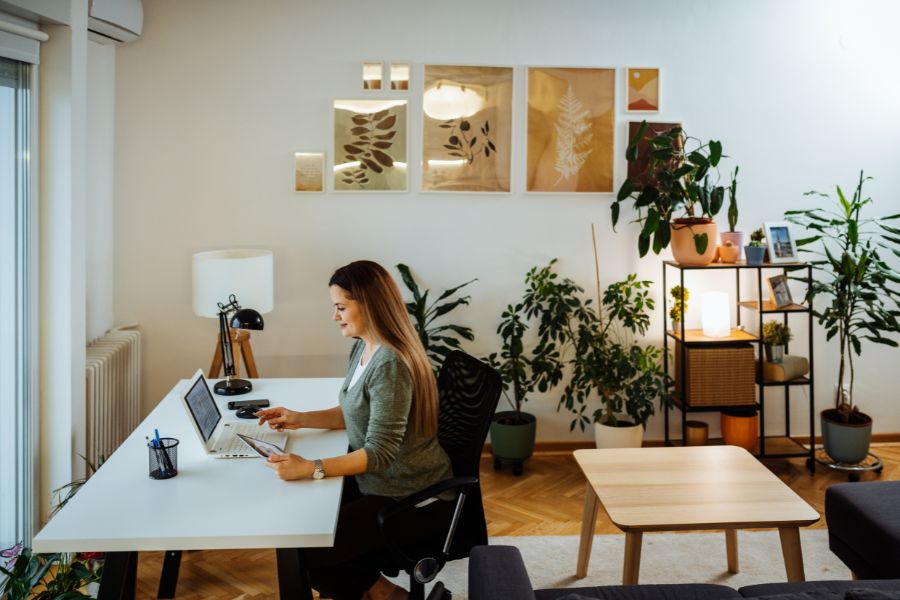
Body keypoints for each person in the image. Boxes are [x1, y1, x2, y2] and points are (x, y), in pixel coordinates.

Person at [255, 260, 454, 600]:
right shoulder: (363, 346)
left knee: (306, 552)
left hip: (412, 496)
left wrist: (311, 468)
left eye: (341, 307)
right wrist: (299, 418)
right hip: (381, 481)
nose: (335, 317)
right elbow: (353, 412)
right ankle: (388, 594)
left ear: (370, 304)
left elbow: (379, 453)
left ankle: (384, 595)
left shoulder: (389, 362)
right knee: (301, 531)